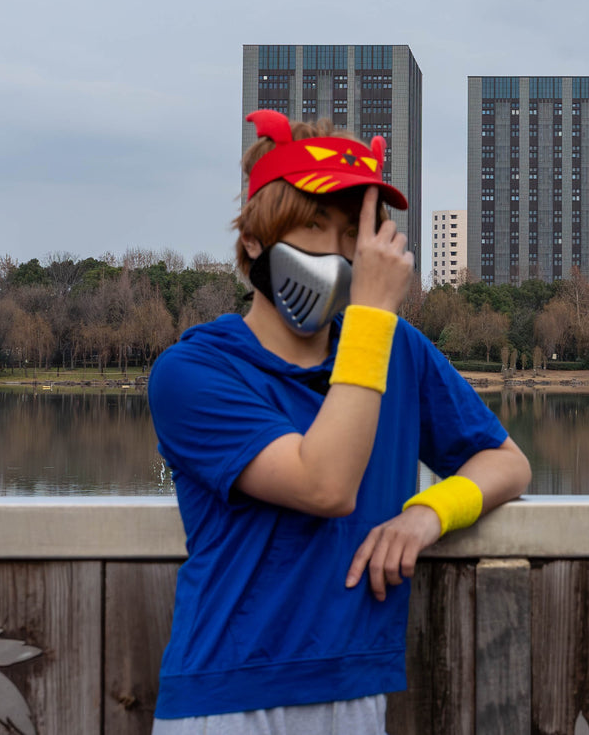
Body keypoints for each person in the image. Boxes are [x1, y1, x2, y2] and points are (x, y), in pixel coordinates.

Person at [148, 111, 530, 734]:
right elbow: (323, 485)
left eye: (354, 232)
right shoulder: (192, 371)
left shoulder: (398, 350)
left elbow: (507, 463)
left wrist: (428, 512)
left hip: (355, 688)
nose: (335, 253)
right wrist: (372, 316)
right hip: (226, 695)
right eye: (314, 226)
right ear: (252, 240)